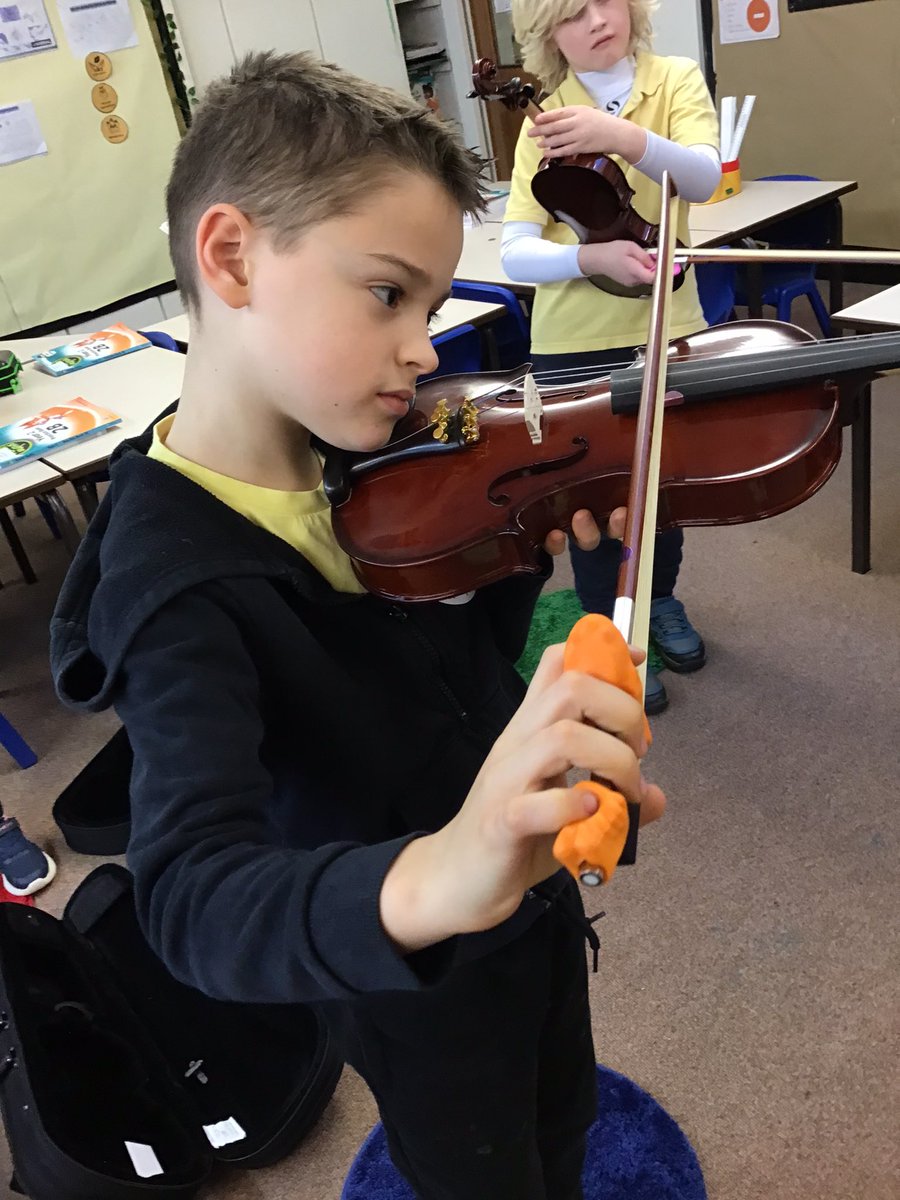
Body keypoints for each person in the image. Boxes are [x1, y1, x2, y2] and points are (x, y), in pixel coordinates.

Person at [50, 52, 665, 1200]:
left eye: (430, 306)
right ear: (231, 256)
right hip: (404, 968)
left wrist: (507, 564)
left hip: (520, 901)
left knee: (562, 1106)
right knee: (477, 1161)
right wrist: (451, 868)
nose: (427, 347)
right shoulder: (174, 585)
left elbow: (435, 677)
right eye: (389, 294)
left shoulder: (360, 462)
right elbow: (189, 898)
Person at [504, 0, 721, 714]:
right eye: (571, 15)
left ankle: (658, 603)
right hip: (573, 342)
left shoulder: (675, 78)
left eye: (605, 0)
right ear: (547, 36)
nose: (597, 21)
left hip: (665, 325)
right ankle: (608, 631)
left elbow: (701, 178)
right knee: (596, 502)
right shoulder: (546, 120)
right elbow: (515, 249)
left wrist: (624, 136)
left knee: (665, 491)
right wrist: (589, 255)